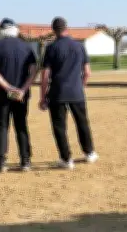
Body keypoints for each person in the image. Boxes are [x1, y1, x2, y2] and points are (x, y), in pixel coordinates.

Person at [40, 17, 99, 170]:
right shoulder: (79, 46)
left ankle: (66, 159)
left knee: (59, 126)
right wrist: (81, 86)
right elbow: (87, 72)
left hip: (57, 91)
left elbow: (45, 74)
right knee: (82, 123)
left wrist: (42, 96)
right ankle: (89, 152)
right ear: (67, 28)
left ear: (53, 30)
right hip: (76, 90)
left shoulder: (51, 48)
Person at [0, 18, 38, 173]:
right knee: (21, 125)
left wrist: (8, 87)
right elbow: (34, 70)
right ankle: (25, 160)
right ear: (15, 29)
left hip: (2, 94)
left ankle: (1, 161)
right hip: (22, 94)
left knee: (2, 126)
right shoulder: (27, 47)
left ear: (2, 31)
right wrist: (22, 89)